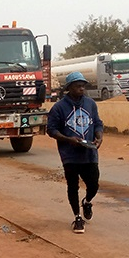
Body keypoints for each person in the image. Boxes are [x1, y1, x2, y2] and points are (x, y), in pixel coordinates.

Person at [47, 71, 103, 234]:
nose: (81, 89)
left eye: (83, 86)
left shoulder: (90, 104)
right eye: (77, 86)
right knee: (73, 186)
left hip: (89, 154)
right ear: (69, 88)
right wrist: (68, 139)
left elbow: (98, 124)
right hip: (69, 155)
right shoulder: (59, 108)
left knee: (94, 184)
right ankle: (77, 217)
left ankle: (87, 201)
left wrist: (99, 138)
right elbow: (51, 130)